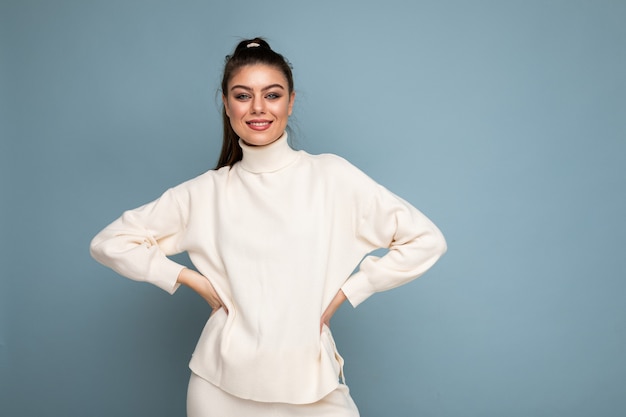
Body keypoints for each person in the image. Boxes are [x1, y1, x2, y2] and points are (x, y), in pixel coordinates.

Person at [90, 37, 447, 417]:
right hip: (219, 388)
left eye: (272, 95)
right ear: (226, 105)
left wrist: (352, 289)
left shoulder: (332, 177)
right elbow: (109, 242)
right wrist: (190, 279)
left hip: (312, 382)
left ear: (290, 102)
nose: (258, 108)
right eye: (243, 96)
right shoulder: (204, 193)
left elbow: (425, 240)